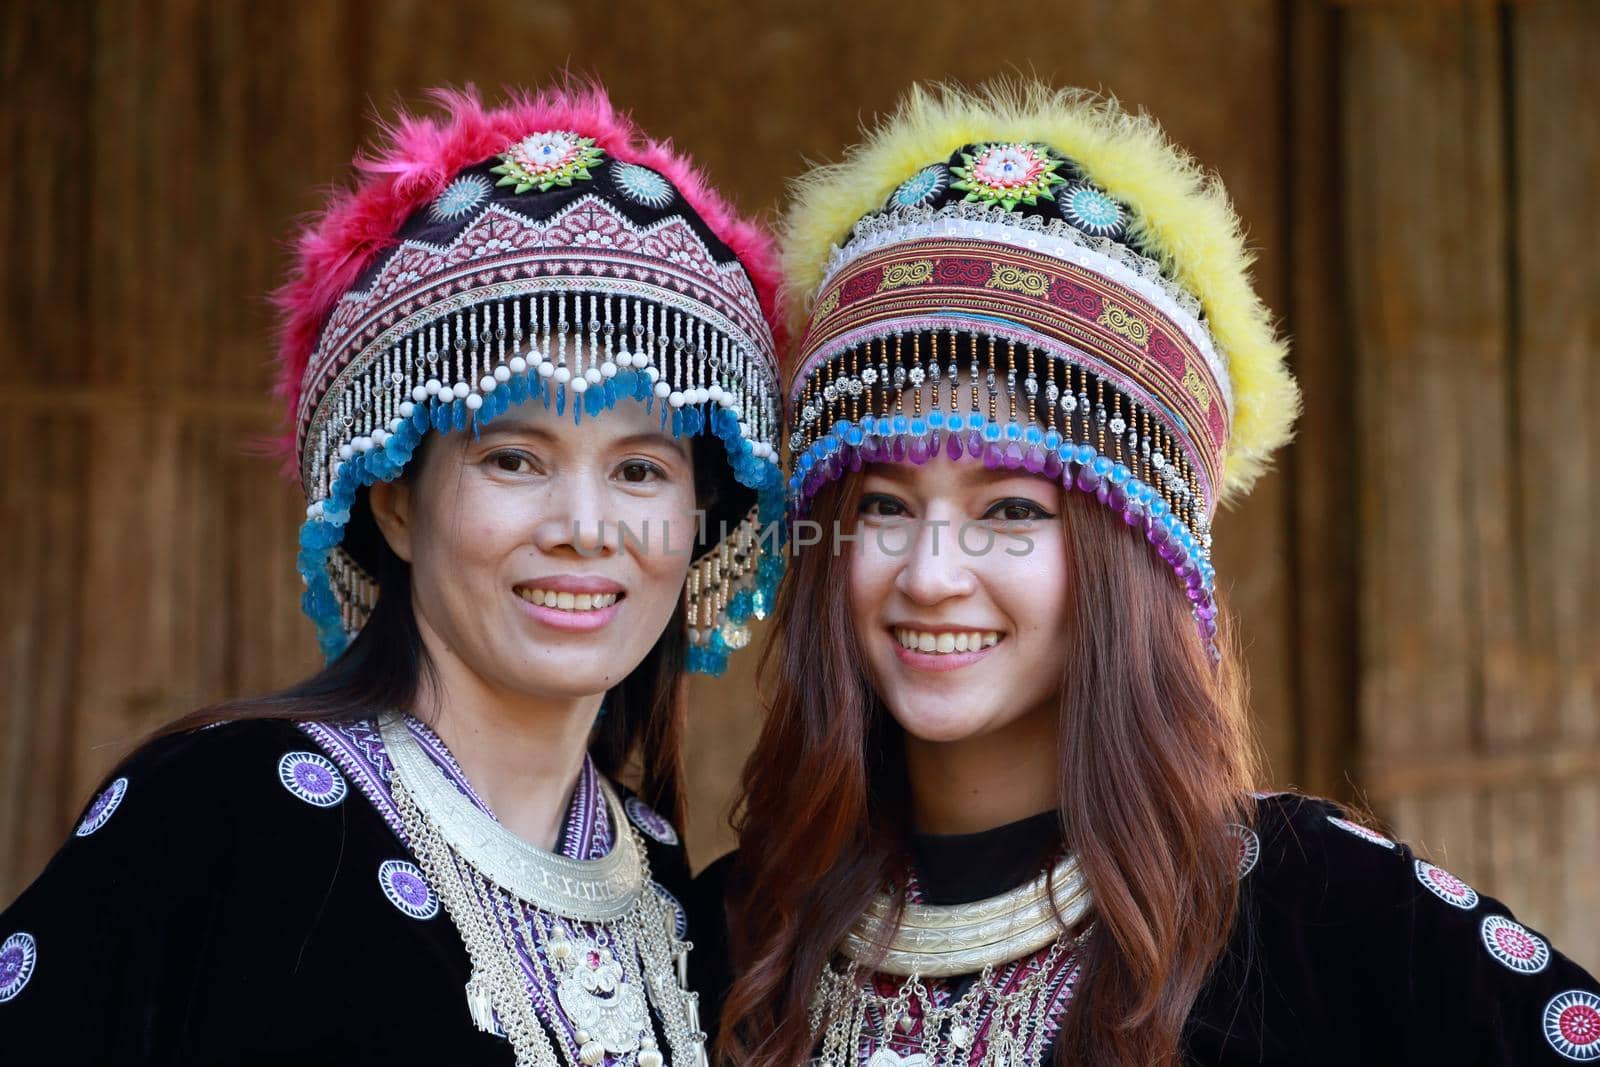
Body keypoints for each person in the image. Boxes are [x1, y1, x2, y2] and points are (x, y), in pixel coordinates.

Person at [692, 80, 1600, 1066]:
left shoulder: (1320, 908)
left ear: (1135, 552)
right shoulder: (740, 928)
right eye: (884, 505)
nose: (932, 571)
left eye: (1011, 510)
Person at [0, 83, 784, 1067]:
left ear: (700, 521)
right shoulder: (230, 816)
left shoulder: (664, 889)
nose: (586, 529)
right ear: (394, 503)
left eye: (640, 470)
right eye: (513, 458)